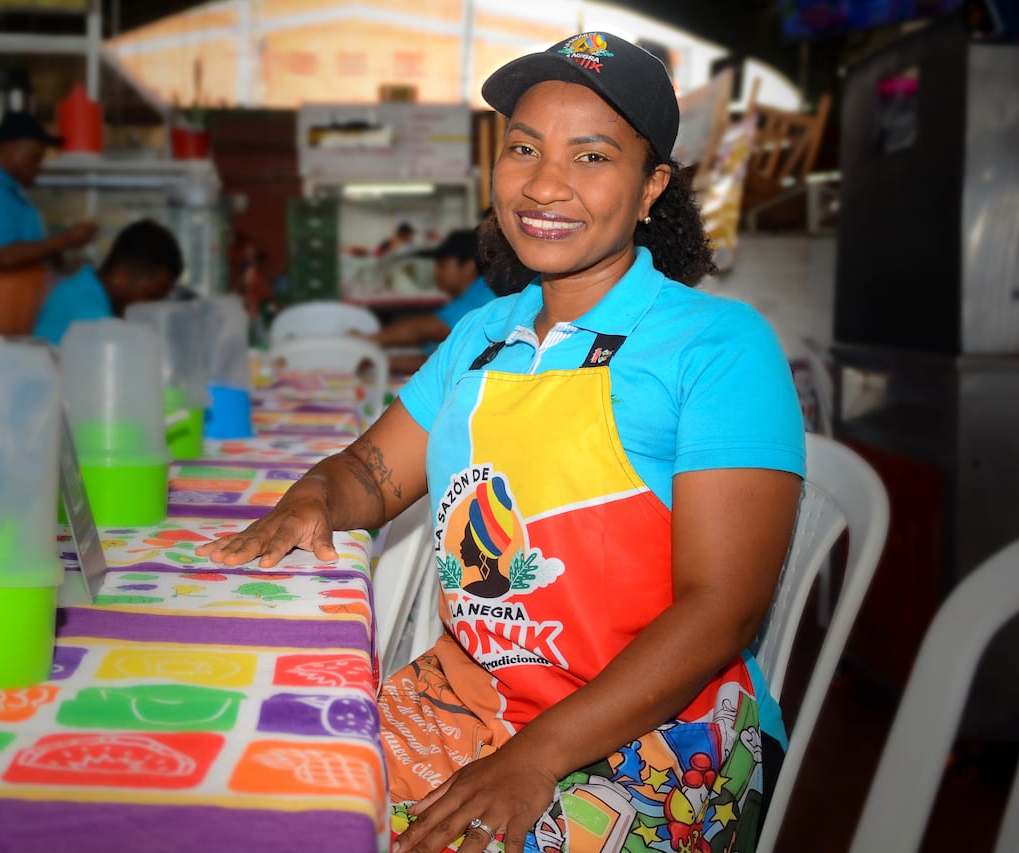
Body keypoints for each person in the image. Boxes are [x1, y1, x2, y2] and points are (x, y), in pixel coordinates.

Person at [197, 29, 804, 853]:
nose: (546, 184)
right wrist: (314, 493)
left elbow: (722, 611)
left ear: (652, 186)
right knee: (271, 787)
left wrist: (539, 754)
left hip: (657, 734)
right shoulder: (484, 333)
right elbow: (373, 475)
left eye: (591, 157)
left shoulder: (719, 346)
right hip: (469, 693)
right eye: (524, 148)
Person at [0, 111, 98, 334]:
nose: (40, 167)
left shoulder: (11, 191)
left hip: (21, 312)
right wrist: (66, 240)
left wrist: (61, 262)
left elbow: (28, 249)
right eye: (34, 158)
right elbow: (5, 256)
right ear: (9, 150)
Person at [364, 228, 496, 374]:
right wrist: (376, 360)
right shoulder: (469, 295)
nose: (435, 272)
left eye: (442, 265)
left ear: (468, 267)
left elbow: (426, 329)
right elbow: (433, 360)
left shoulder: (483, 294)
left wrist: (370, 340)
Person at [32, 218, 183, 346]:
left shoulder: (84, 290)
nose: (154, 307)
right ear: (121, 276)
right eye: (150, 295)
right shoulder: (89, 315)